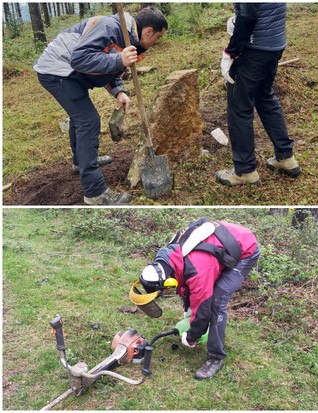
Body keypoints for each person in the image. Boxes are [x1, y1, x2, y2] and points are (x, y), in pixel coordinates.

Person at [34, 7, 168, 205]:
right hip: (56, 71)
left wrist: (118, 91)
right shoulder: (109, 27)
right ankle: (95, 193)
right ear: (148, 31)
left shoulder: (128, 38)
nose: (156, 42)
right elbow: (80, 59)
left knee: (81, 118)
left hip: (70, 72)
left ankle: (80, 162)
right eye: (157, 37)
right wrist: (119, 59)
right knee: (87, 120)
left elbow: (108, 65)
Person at [138, 219, 260, 379]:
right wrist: (189, 314)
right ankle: (202, 329)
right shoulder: (166, 257)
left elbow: (203, 307)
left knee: (216, 301)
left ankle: (216, 357)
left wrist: (191, 337)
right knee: (202, 291)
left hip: (246, 249)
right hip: (221, 244)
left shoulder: (198, 269)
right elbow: (184, 280)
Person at [217, 3, 300, 186]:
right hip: (274, 46)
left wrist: (231, 52)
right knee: (265, 98)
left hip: (254, 50)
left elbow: (248, 15)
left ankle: (245, 170)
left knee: (239, 107)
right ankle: (286, 158)